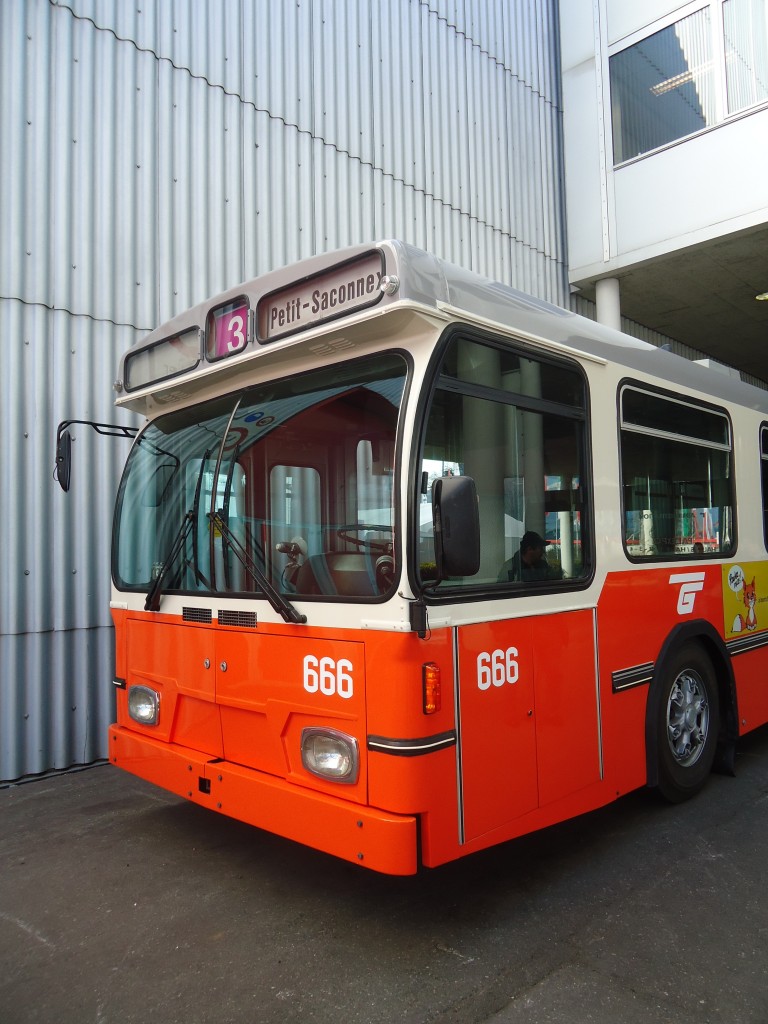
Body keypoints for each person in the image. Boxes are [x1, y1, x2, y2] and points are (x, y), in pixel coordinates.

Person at [498, 530, 562, 583]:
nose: (543, 552)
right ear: (529, 549)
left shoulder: (543, 565)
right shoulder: (510, 567)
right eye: (540, 548)